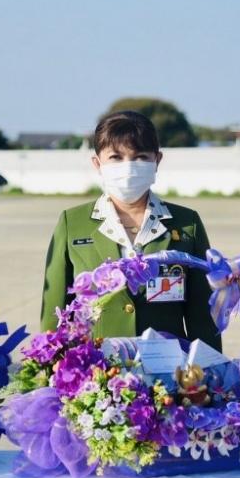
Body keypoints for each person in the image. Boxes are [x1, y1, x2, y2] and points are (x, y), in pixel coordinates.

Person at [41, 111, 221, 349]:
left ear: (157, 161)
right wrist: (51, 363)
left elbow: (203, 315)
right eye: (116, 157)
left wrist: (209, 367)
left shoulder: (187, 223)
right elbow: (54, 313)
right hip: (95, 367)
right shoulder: (72, 223)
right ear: (97, 163)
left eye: (140, 157)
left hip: (169, 367)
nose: (128, 166)